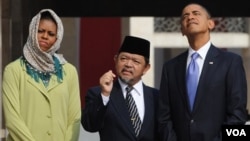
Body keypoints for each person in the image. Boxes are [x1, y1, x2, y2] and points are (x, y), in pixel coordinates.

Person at [158, 3, 248, 141]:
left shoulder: (230, 62)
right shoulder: (170, 68)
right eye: (185, 16)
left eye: (196, 13)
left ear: (210, 24)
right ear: (182, 30)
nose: (190, 17)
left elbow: (238, 115)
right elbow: (164, 116)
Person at [2, 9, 81, 141]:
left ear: (57, 38)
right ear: (32, 31)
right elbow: (12, 120)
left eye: (51, 34)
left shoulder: (69, 72)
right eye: (40, 31)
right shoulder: (13, 70)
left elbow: (74, 119)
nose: (45, 36)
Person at [82, 35, 159, 141]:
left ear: (146, 68)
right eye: (123, 58)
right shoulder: (98, 93)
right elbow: (90, 125)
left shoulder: (157, 97)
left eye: (136, 61)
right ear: (115, 60)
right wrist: (104, 94)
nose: (128, 64)